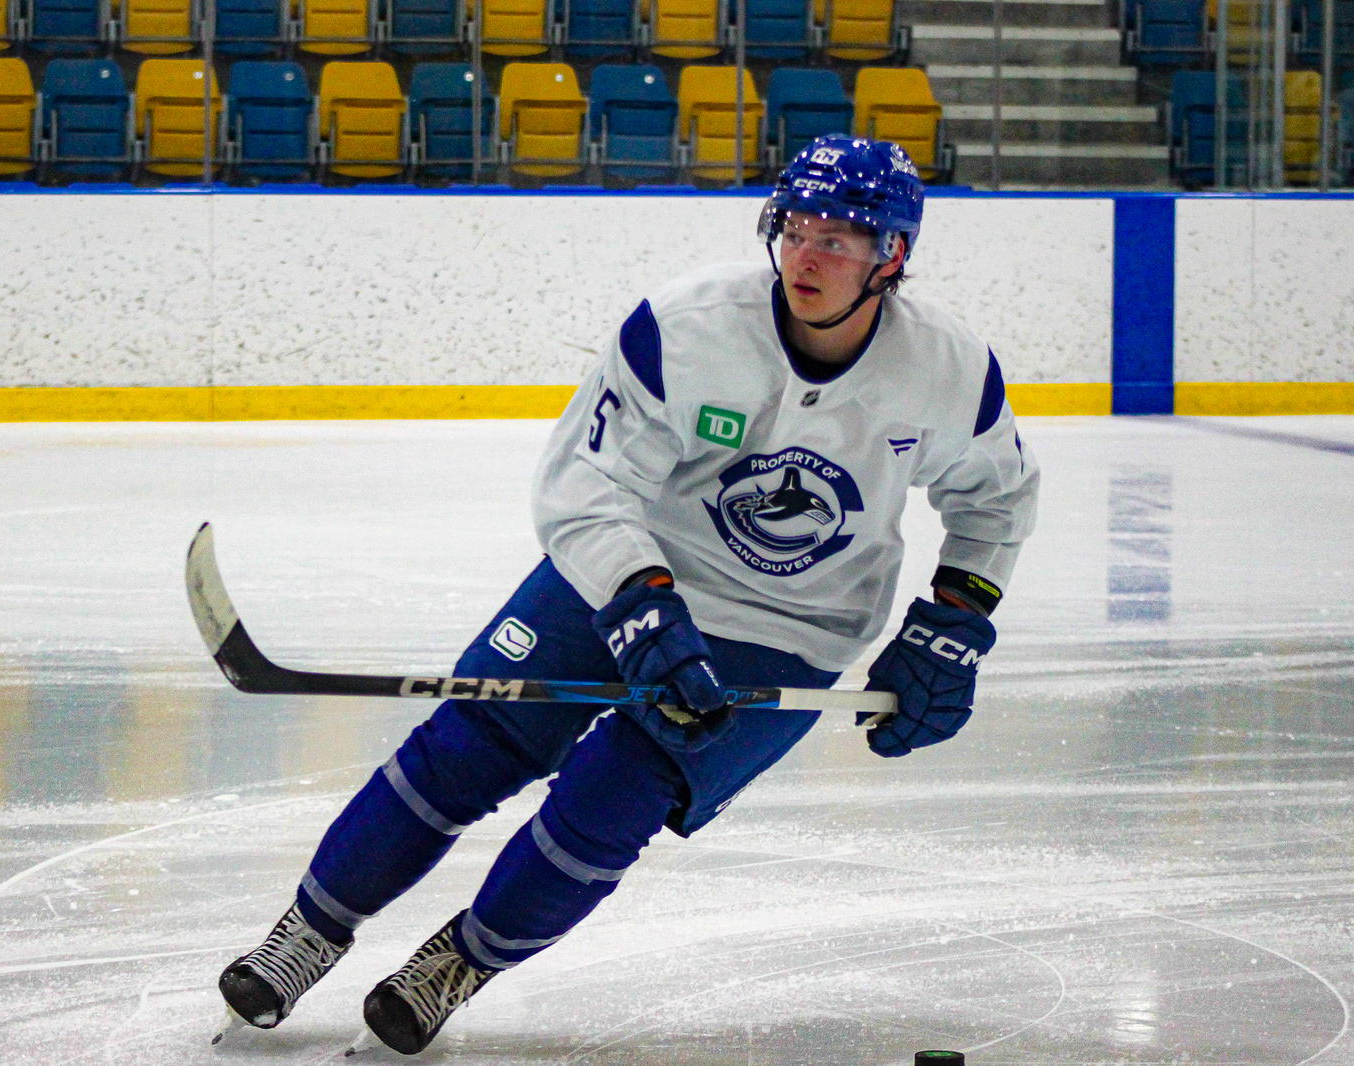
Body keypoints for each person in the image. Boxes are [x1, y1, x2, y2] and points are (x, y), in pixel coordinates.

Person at [213, 134, 1041, 1055]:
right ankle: (307, 934)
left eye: (839, 240)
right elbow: (582, 485)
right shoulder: (687, 325)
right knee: (468, 745)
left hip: (790, 629)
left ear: (891, 258)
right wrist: (642, 602)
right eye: (796, 228)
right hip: (628, 571)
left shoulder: (948, 372)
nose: (808, 255)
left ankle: (460, 963)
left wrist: (951, 625)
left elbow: (998, 499)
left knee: (611, 801)